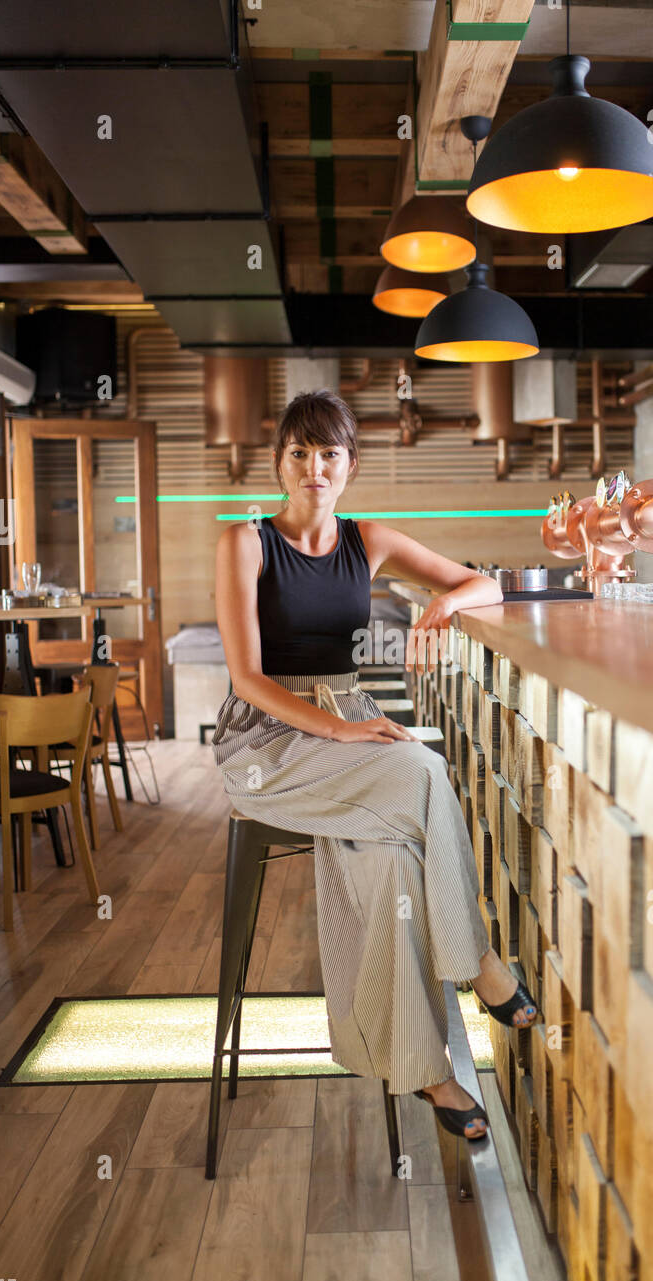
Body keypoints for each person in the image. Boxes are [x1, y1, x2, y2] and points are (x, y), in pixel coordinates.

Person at [211, 388, 539, 1141]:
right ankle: (480, 963)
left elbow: (482, 581)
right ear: (279, 464)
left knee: (393, 869)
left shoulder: (370, 540)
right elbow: (247, 679)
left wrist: (439, 607)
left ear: (350, 465)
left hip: (345, 728)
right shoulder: (245, 543)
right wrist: (340, 731)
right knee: (424, 770)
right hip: (266, 742)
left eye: (330, 454)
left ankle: (426, 1072)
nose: (314, 468)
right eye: (300, 453)